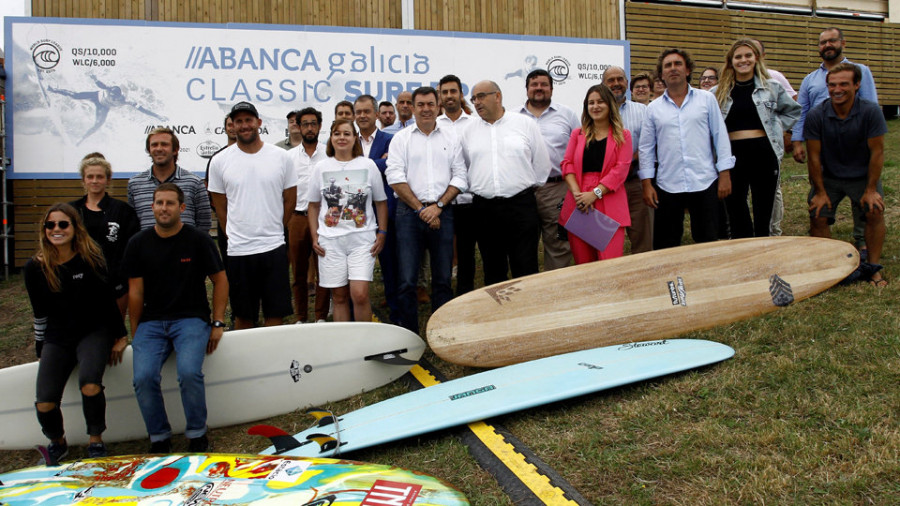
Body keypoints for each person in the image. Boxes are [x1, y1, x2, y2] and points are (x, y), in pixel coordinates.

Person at [124, 183, 227, 453]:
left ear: (181, 208)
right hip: (151, 322)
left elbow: (221, 280)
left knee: (189, 373)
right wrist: (136, 331)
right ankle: (158, 436)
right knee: (143, 378)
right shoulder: (138, 243)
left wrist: (218, 322)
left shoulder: (198, 240)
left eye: (170, 203)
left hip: (191, 319)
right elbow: (135, 292)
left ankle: (196, 433)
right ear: (152, 207)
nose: (164, 208)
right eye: (159, 203)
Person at [24, 203, 128, 461]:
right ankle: (58, 442)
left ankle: (95, 440)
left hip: (94, 330)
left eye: (63, 224)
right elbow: (39, 312)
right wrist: (41, 348)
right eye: (51, 225)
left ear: (74, 227)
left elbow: (108, 300)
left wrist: (120, 335)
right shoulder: (35, 267)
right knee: (44, 402)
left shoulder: (91, 257)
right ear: (44, 229)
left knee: (90, 385)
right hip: (58, 337)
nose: (56, 229)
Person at [208, 101, 296, 329]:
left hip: (273, 246)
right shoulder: (219, 161)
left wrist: (275, 227)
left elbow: (290, 199)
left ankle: (272, 362)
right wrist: (235, 234)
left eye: (248, 120)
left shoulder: (281, 157)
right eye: (239, 121)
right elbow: (220, 207)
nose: (244, 125)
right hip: (239, 250)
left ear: (258, 123)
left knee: (274, 314)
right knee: (243, 316)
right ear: (232, 126)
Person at [386, 86, 467, 333]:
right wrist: (422, 209)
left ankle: (440, 333)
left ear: (438, 105)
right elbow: (395, 177)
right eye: (420, 104)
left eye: (430, 104)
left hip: (443, 212)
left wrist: (439, 206)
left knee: (442, 278)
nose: (425, 109)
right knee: (407, 280)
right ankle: (409, 334)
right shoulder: (402, 139)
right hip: (409, 214)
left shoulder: (451, 138)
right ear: (412, 107)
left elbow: (461, 177)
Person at [792, 27, 878, 256]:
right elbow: (802, 112)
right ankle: (824, 243)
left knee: (861, 196)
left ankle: (862, 240)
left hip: (855, 144)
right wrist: (797, 142)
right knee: (821, 191)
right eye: (822, 43)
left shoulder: (861, 71)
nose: (827, 46)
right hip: (821, 146)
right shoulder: (810, 79)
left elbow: (870, 105)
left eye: (831, 41)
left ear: (842, 43)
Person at [639, 48, 735, 250]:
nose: (673, 69)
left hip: (705, 180)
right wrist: (647, 184)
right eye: (668, 65)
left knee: (708, 241)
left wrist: (724, 173)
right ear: (662, 74)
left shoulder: (706, 99)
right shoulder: (653, 109)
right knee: (666, 244)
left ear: (688, 70)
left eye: (677, 64)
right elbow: (646, 148)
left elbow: (720, 136)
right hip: (667, 184)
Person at [460, 80, 551, 285]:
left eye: (481, 96)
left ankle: (526, 315)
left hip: (520, 206)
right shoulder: (468, 130)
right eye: (474, 98)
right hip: (485, 209)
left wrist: (521, 186)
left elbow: (541, 164)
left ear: (498, 96)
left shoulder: (525, 124)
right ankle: (499, 316)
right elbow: (466, 166)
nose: (477, 102)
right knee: (493, 269)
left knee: (525, 266)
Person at [805, 63, 888, 287]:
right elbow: (814, 157)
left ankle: (873, 268)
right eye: (832, 85)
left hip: (862, 176)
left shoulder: (871, 112)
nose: (837, 89)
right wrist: (820, 192)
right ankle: (829, 268)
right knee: (818, 213)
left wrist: (871, 190)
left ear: (857, 85)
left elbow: (877, 153)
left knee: (874, 210)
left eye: (843, 84)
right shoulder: (816, 115)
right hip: (830, 176)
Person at [712, 39, 800, 238]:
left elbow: (793, 111)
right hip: (732, 156)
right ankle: (743, 250)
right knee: (736, 209)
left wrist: (777, 129)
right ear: (730, 61)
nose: (744, 60)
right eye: (738, 57)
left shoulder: (772, 87)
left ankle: (764, 249)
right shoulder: (717, 92)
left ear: (756, 58)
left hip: (763, 152)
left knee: (764, 208)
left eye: (748, 56)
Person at [308, 119, 388, 322]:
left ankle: (364, 342)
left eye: (346, 133)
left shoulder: (368, 165)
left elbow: (380, 202)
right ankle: (344, 345)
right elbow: (314, 205)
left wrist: (382, 233)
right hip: (330, 240)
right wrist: (314, 237)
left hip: (362, 239)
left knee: (359, 294)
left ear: (354, 138)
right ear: (331, 138)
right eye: (337, 133)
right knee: (340, 296)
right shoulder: (321, 168)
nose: (341, 137)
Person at [559, 84, 633, 263]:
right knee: (583, 265)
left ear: (610, 105)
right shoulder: (578, 134)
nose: (595, 106)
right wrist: (578, 195)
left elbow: (621, 169)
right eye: (590, 103)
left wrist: (595, 194)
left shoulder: (623, 135)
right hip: (580, 205)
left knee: (609, 263)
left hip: (608, 202)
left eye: (600, 102)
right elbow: (567, 164)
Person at [519, 69, 580, 271]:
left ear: (552, 89)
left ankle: (555, 290)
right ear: (527, 89)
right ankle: (529, 288)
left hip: (557, 189)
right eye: (534, 84)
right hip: (523, 190)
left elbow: (580, 150)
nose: (539, 88)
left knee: (559, 243)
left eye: (544, 84)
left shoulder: (567, 115)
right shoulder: (513, 117)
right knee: (524, 244)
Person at [70, 156, 140, 316]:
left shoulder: (123, 210)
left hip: (115, 283)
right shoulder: (72, 211)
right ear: (83, 180)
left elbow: (131, 249)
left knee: (114, 333)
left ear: (108, 180)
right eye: (90, 177)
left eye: (100, 177)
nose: (95, 181)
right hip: (79, 282)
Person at [354, 94, 399, 323]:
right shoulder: (347, 140)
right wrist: (375, 164)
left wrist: (361, 166)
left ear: (376, 114)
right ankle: (358, 316)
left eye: (367, 111)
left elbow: (392, 165)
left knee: (391, 266)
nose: (362, 116)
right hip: (354, 217)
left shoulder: (390, 140)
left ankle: (395, 313)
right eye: (358, 112)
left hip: (385, 212)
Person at [603, 66, 652, 253]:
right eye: (611, 80)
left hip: (634, 183)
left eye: (620, 79)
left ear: (626, 83)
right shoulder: (596, 111)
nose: (616, 84)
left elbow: (649, 145)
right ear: (603, 85)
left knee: (643, 238)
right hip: (605, 186)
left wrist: (624, 163)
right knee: (606, 240)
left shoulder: (642, 111)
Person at [288, 107, 330, 323]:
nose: (310, 128)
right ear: (298, 126)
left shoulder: (328, 154)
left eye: (314, 123)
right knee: (299, 271)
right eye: (305, 124)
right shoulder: (289, 157)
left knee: (324, 268)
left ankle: (321, 316)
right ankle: (300, 317)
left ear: (320, 126)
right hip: (297, 218)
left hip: (324, 219)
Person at [437, 74, 477, 295]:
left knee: (466, 251)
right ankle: (442, 296)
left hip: (469, 199)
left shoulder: (474, 123)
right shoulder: (434, 125)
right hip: (443, 199)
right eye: (445, 92)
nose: (449, 96)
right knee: (442, 251)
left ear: (461, 95)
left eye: (453, 91)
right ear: (440, 97)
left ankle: (465, 294)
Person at [128, 127, 212, 232]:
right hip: (148, 248)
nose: (159, 148)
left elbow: (204, 224)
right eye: (154, 145)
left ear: (175, 150)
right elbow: (132, 225)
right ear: (149, 150)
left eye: (164, 144)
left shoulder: (194, 183)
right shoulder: (135, 184)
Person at [205, 115, 237, 265]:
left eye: (235, 124)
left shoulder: (259, 157)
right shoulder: (217, 159)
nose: (233, 128)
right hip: (227, 222)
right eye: (229, 125)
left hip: (254, 223)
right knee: (230, 269)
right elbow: (210, 191)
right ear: (225, 128)